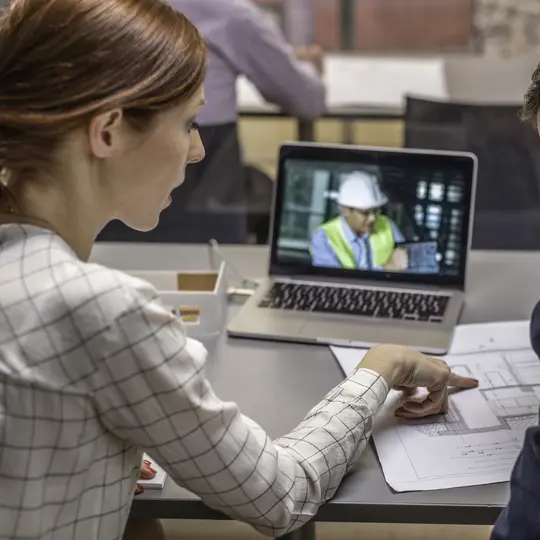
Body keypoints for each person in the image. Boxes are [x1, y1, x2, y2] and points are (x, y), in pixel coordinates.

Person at [0, 1, 479, 539]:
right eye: (187, 123)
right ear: (108, 131)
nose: (200, 150)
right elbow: (280, 494)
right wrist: (381, 367)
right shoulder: (100, 310)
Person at [98, 0, 326, 245]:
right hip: (203, 225)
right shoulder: (231, 15)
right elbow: (306, 99)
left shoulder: (87, 13)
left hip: (108, 226)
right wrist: (302, 64)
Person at [311, 171, 409, 271]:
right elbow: (333, 282)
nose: (373, 218)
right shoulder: (324, 237)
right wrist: (385, 270)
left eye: (376, 211)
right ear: (346, 211)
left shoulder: (387, 225)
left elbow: (406, 262)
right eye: (365, 213)